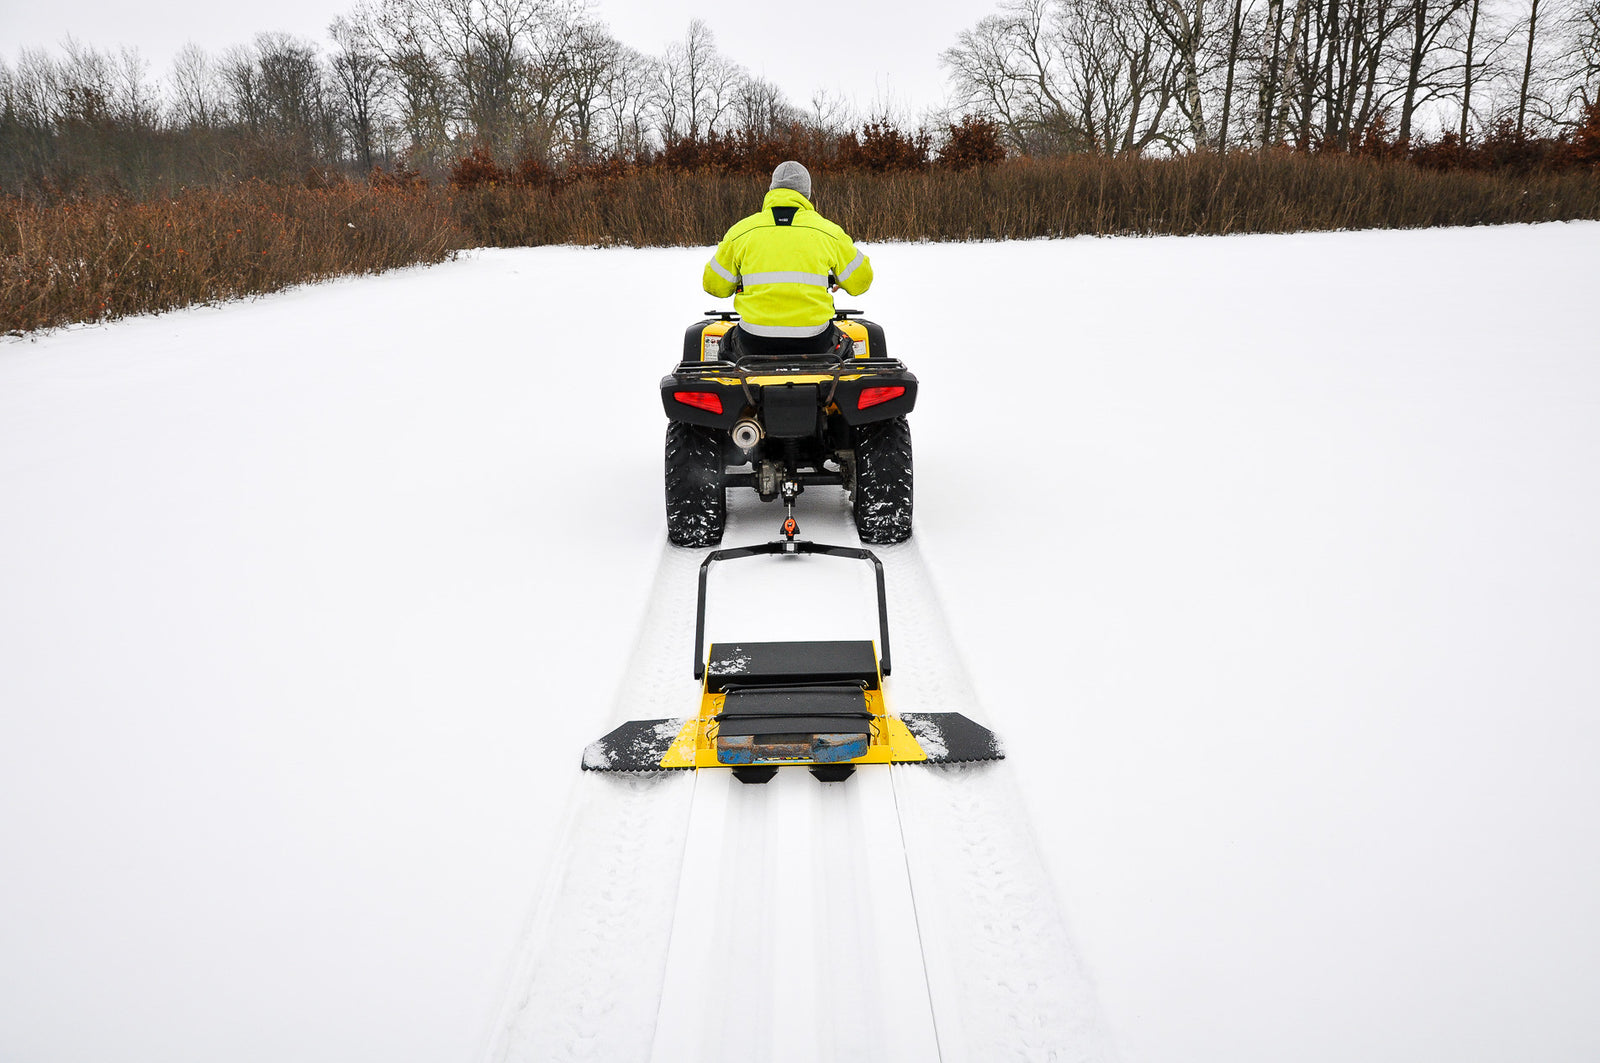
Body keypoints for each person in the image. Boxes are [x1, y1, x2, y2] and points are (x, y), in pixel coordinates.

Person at [702, 161, 873, 360]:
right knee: (846, 346)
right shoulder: (829, 232)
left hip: (753, 342)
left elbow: (714, 285)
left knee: (726, 343)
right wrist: (841, 280)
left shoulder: (741, 232)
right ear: (807, 194)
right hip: (815, 342)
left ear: (772, 189)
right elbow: (861, 282)